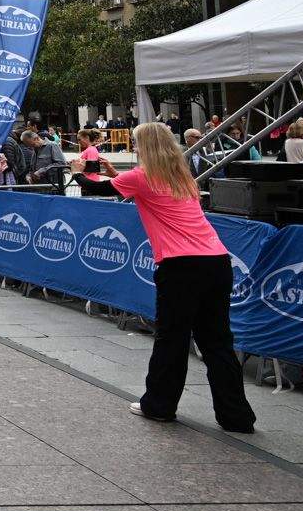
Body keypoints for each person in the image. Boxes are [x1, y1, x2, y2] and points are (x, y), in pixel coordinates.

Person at [112, 123, 256, 432]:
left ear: (145, 147)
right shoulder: (183, 179)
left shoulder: (141, 177)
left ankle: (160, 405)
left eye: (137, 144)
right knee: (217, 341)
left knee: (172, 339)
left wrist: (81, 168)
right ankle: (237, 417)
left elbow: (98, 186)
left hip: (180, 266)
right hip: (217, 261)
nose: (134, 149)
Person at [73, 128, 120, 197]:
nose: (78, 142)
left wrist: (77, 167)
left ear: (86, 138)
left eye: (79, 139)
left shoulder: (90, 150)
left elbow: (91, 168)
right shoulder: (91, 149)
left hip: (89, 183)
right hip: (89, 183)